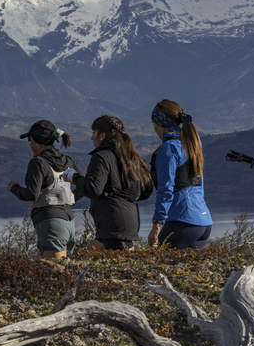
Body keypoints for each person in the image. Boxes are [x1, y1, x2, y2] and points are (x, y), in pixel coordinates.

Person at [69, 115, 151, 250]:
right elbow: (146, 190)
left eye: (93, 132)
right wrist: (122, 197)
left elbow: (93, 188)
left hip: (113, 225)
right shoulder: (132, 156)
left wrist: (74, 177)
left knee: (120, 262)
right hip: (127, 222)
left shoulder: (101, 156)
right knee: (91, 255)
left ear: (102, 135)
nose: (91, 137)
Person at [145, 100, 213, 249]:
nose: (154, 128)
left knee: (160, 262)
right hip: (203, 221)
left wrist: (157, 225)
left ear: (161, 123)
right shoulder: (192, 143)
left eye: (153, 123)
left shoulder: (169, 148)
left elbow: (165, 189)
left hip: (182, 219)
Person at [7, 120, 78, 260]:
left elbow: (32, 194)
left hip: (50, 222)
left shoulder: (38, 163)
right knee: (47, 265)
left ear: (35, 141)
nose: (29, 144)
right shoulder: (67, 161)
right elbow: (83, 185)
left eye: (29, 140)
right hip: (68, 221)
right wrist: (68, 200)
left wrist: (14, 188)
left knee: (52, 268)